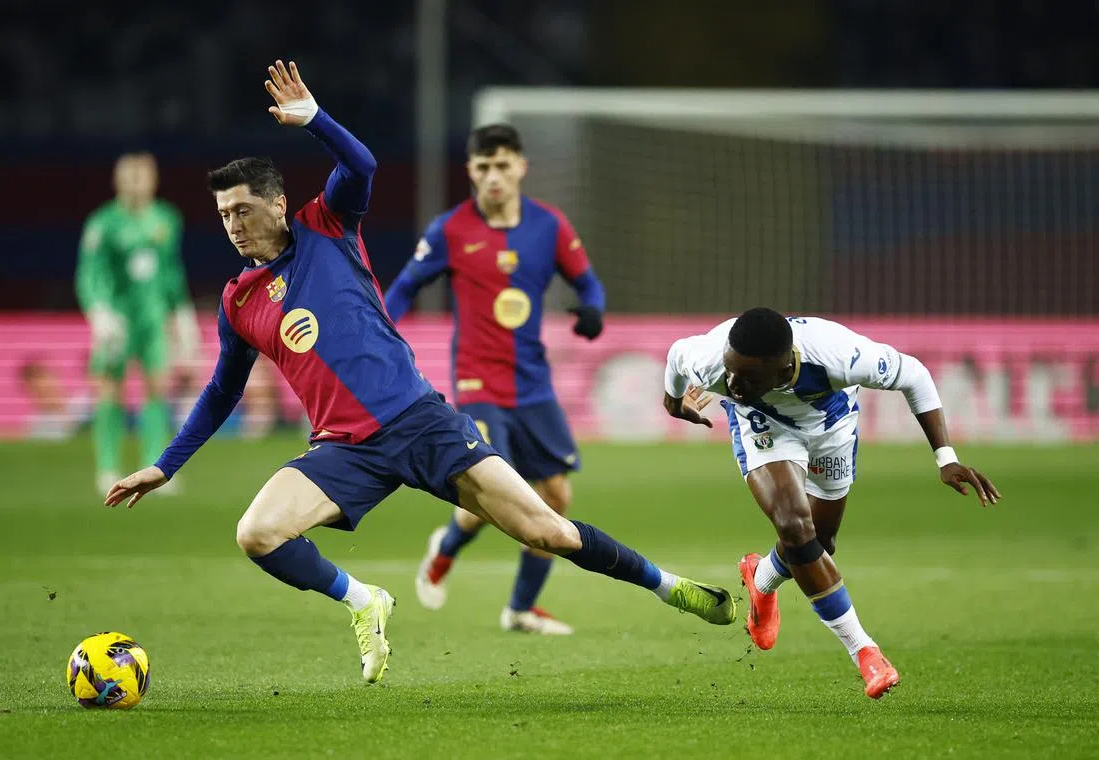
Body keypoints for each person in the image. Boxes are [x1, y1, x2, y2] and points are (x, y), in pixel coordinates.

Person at [105, 60, 736, 685]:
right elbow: (222, 391)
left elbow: (362, 167)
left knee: (547, 530)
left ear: (277, 203)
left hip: (420, 421)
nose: (233, 226)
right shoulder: (237, 301)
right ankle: (363, 600)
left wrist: (315, 119)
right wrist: (166, 465)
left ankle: (668, 586)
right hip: (343, 450)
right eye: (223, 216)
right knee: (258, 533)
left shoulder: (326, 227)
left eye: (243, 210)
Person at [663, 307, 1000, 699]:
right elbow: (675, 355)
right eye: (731, 370)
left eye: (748, 376)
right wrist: (673, 402)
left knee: (818, 545)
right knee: (794, 527)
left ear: (783, 366)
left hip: (832, 427)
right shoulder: (711, 363)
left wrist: (946, 457)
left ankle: (762, 579)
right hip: (764, 425)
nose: (733, 382)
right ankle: (865, 651)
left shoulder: (839, 355)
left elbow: (914, 375)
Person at [384, 124, 605, 635]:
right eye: (482, 167)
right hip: (478, 384)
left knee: (556, 499)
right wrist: (383, 335)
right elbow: (403, 288)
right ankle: (446, 549)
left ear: (521, 167)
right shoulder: (450, 230)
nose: (493, 177)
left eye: (502, 165)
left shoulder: (548, 226)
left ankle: (520, 609)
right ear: (470, 172)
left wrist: (592, 310)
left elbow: (587, 281)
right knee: (495, 491)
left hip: (533, 386)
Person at [76, 151, 200, 494]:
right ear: (118, 181)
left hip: (152, 319)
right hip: (117, 320)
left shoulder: (166, 219)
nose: (136, 183)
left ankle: (154, 466)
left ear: (153, 180)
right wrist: (99, 312)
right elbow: (90, 274)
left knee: (157, 386)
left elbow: (171, 270)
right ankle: (107, 466)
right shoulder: (102, 223)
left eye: (142, 176)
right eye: (130, 177)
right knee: (110, 388)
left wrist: (182, 311)